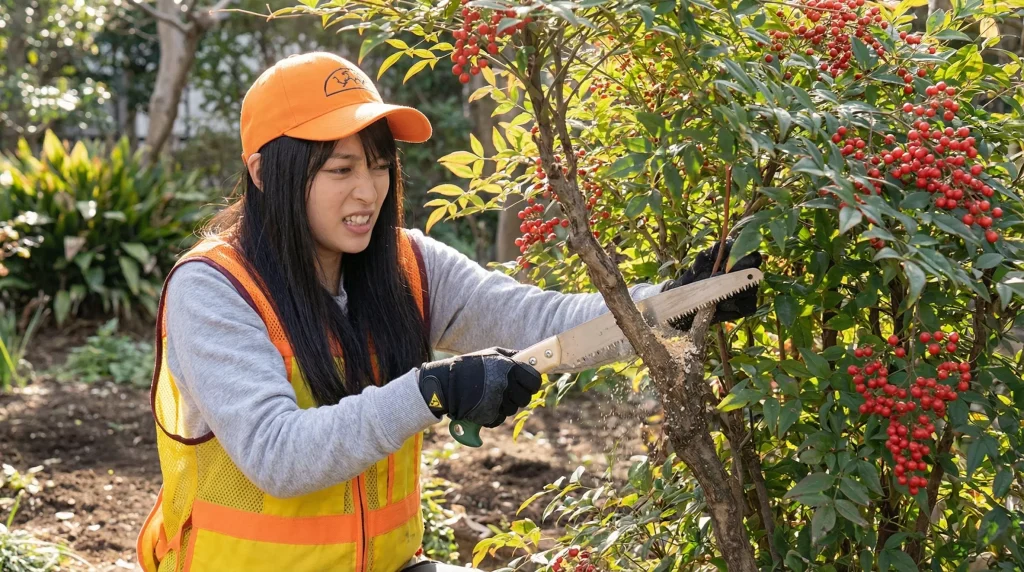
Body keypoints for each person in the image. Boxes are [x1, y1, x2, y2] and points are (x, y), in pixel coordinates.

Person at [135, 52, 761, 572]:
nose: (368, 192)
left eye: (380, 166)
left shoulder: (407, 266)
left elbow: (541, 322)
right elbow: (278, 455)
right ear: (265, 173)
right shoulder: (214, 290)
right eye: (341, 169)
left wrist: (674, 302)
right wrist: (431, 391)